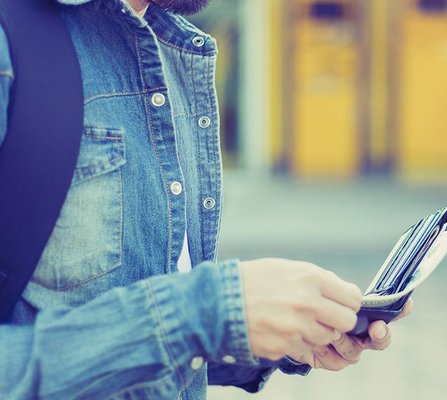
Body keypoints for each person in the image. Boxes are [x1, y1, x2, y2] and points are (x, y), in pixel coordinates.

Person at [0, 0, 410, 398]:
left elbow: (137, 336)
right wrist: (206, 310)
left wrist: (255, 332)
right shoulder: (10, 43)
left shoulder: (170, 48)